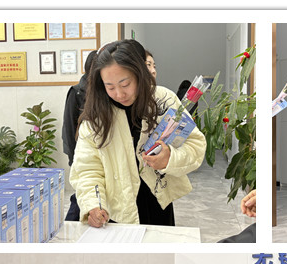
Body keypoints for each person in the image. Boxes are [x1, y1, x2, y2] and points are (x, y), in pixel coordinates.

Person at [71, 39, 205, 227]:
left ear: (139, 74)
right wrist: (93, 205)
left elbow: (195, 145)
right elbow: (87, 168)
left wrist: (170, 158)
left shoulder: (163, 100)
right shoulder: (96, 117)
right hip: (115, 210)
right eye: (110, 87)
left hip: (157, 204)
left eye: (125, 84)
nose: (119, 94)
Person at [62, 50, 98, 221]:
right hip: (80, 154)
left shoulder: (102, 92)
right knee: (80, 195)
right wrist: (73, 158)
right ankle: (70, 223)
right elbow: (69, 128)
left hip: (96, 154)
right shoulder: (76, 92)